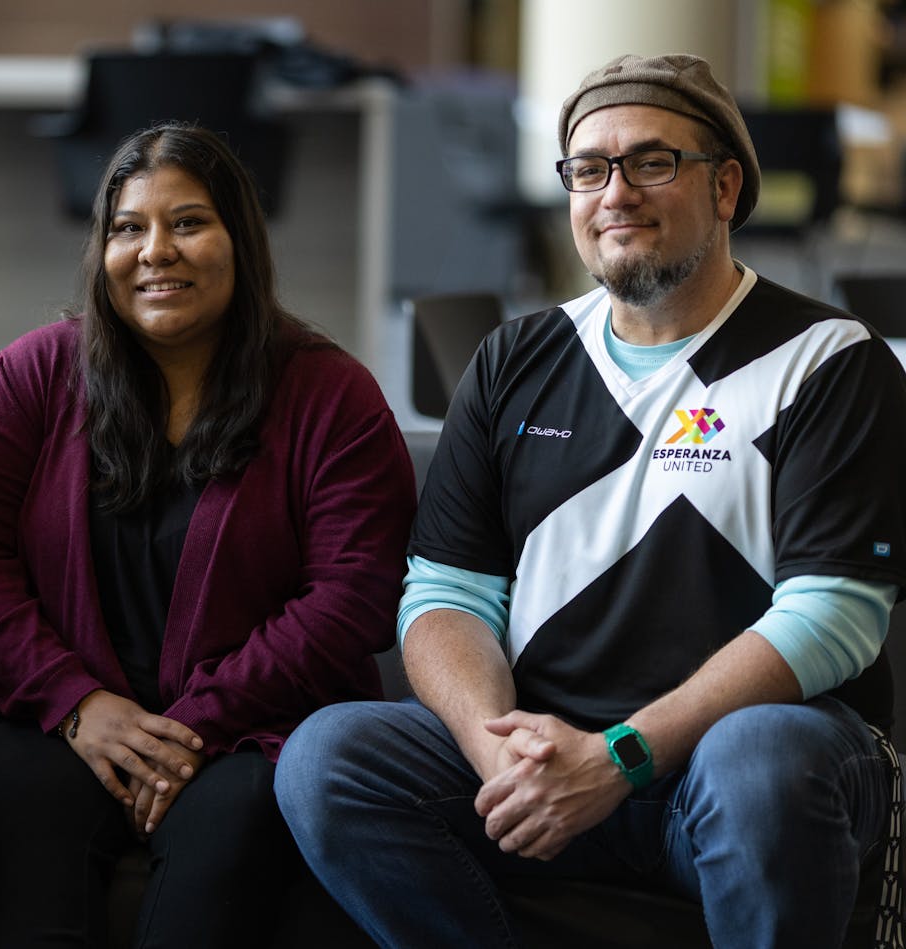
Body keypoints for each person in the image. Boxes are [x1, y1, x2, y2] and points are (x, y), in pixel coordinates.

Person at [275, 52, 906, 948]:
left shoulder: (829, 361)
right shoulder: (512, 359)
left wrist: (620, 756)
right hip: (544, 762)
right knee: (328, 758)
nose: (615, 192)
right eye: (588, 168)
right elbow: (446, 595)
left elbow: (836, 614)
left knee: (760, 757)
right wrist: (499, 751)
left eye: (653, 161)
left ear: (726, 187)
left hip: (733, 772)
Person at [0, 122, 416, 947]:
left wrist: (196, 723)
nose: (156, 250)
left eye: (188, 222)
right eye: (128, 227)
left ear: (240, 240)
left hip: (260, 730)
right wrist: (77, 703)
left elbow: (353, 595)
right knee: (18, 795)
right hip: (56, 719)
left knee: (230, 836)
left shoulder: (331, 393)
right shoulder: (33, 375)